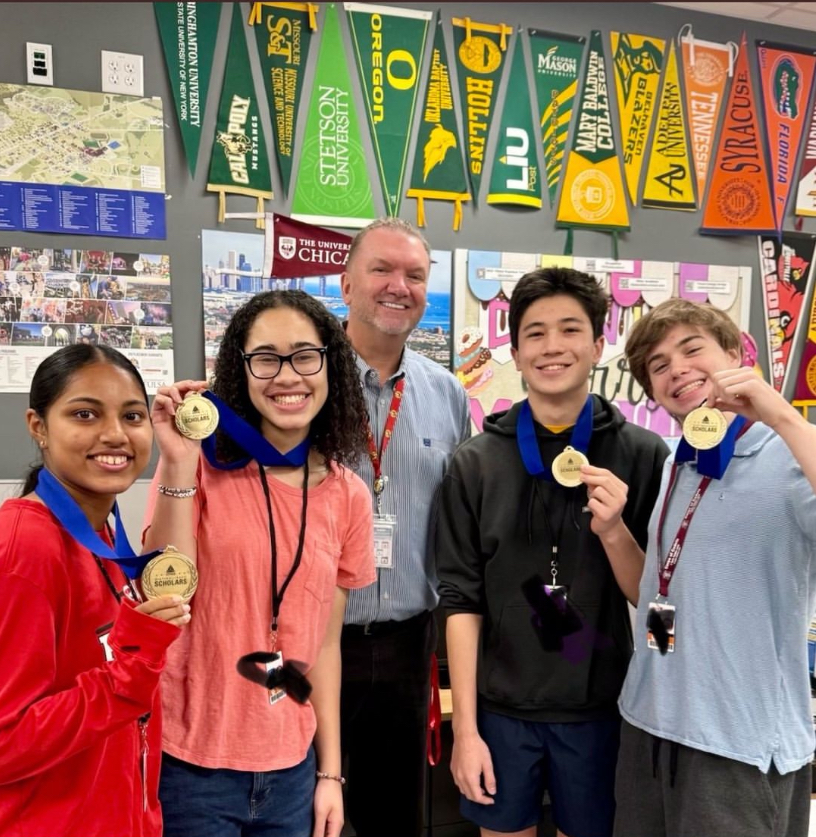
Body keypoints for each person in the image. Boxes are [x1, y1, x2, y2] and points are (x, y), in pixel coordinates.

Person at [436, 268, 668, 837]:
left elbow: (659, 596)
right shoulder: (476, 462)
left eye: (570, 329)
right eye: (535, 333)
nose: (552, 347)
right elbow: (460, 599)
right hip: (500, 711)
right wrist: (465, 731)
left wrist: (615, 532)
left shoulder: (643, 453)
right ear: (514, 351)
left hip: (603, 709)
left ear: (597, 343)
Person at [143, 290, 375, 837]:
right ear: (241, 370)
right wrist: (177, 463)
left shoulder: (348, 496)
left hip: (291, 769)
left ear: (330, 365)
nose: (287, 375)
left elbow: (324, 646)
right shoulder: (200, 465)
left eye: (304, 355)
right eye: (266, 358)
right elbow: (166, 591)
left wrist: (330, 774)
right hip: (192, 765)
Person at [614, 298, 816, 837]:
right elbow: (657, 588)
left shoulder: (791, 453)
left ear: (734, 354)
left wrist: (782, 414)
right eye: (658, 365)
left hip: (735, 743)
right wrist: (612, 530)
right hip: (650, 725)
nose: (675, 367)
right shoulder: (676, 463)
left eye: (691, 348)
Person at [0, 344, 188, 837]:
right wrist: (132, 668)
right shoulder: (26, 546)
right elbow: (7, 741)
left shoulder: (101, 528)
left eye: (132, 415)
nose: (114, 434)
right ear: (38, 426)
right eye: (85, 414)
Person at [338, 217, 471, 837]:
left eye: (415, 275)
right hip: (313, 641)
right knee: (309, 811)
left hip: (407, 644)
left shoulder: (445, 394)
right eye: (382, 270)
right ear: (346, 283)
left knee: (397, 816)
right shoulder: (300, 382)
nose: (399, 286)